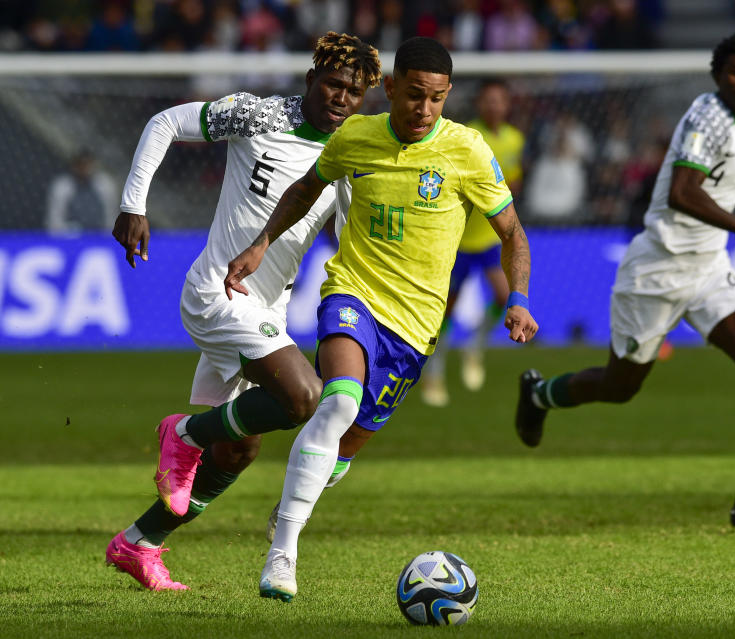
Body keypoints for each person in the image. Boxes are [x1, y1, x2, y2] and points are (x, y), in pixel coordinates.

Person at [209, 36, 537, 602]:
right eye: (413, 96)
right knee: (337, 401)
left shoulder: (468, 151)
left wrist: (518, 298)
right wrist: (262, 242)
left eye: (436, 99)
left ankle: (294, 502)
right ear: (390, 89)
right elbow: (305, 189)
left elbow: (512, 232)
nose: (424, 110)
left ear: (448, 95)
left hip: (415, 328)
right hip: (353, 295)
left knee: (345, 445)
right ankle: (282, 555)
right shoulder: (356, 136)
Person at [105, 32, 382, 592]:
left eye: (353, 92)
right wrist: (134, 204)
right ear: (310, 80)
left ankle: (140, 543)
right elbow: (164, 123)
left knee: (237, 448)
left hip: (269, 306)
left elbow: (352, 236)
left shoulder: (348, 151)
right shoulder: (257, 114)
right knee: (302, 396)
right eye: (332, 84)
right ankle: (181, 434)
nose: (341, 98)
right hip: (219, 291)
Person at [514, 33, 735, 532]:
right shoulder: (704, 116)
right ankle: (539, 394)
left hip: (708, 267)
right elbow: (682, 192)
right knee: (619, 386)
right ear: (719, 76)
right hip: (658, 267)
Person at [421, 78, 526, 406]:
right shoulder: (468, 137)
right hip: (459, 242)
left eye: (500, 100)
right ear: (480, 104)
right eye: (488, 100)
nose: (494, 106)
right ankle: (434, 374)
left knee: (501, 296)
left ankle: (474, 346)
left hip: (489, 239)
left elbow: (514, 179)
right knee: (446, 311)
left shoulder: (514, 139)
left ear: (507, 105)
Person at [45, 149, 117, 234]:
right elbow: (54, 220)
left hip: (99, 235)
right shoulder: (62, 186)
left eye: (87, 165)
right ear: (74, 166)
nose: (84, 169)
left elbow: (111, 217)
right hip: (70, 236)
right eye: (80, 164)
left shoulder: (105, 184)